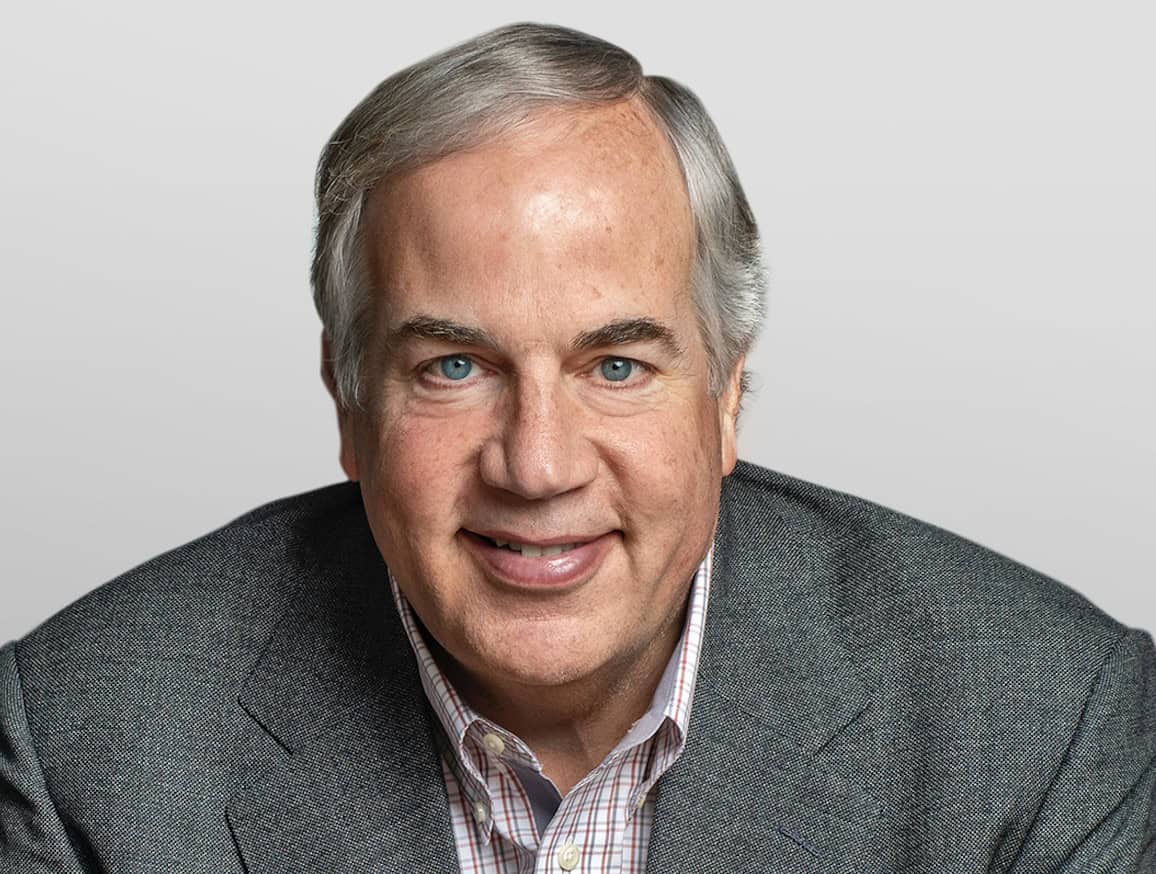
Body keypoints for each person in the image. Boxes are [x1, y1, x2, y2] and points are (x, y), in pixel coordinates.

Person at [1, 22, 1152, 873]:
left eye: (616, 366)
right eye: (452, 366)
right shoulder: (80, 747)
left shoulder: (1048, 725)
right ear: (348, 405)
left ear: (729, 393)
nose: (538, 465)